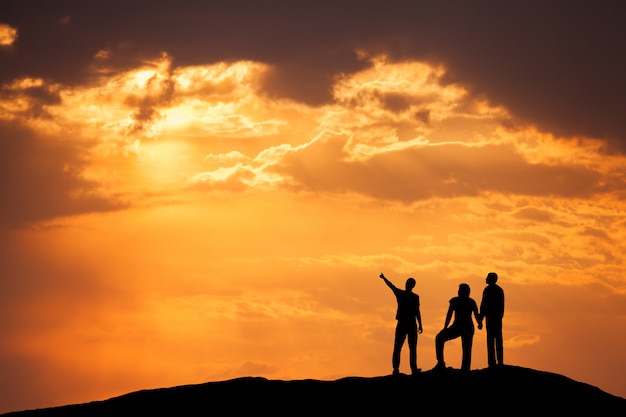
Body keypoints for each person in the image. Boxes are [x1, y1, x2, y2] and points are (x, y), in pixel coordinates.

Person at [379, 272, 423, 375]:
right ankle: (397, 369)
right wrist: (384, 278)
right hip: (406, 323)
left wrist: (420, 324)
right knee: (401, 347)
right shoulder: (408, 295)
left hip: (408, 323)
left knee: (408, 347)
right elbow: (391, 286)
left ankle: (411, 369)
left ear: (410, 285)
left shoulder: (411, 296)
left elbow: (417, 311)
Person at [434, 283, 482, 371]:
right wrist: (445, 327)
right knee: (439, 338)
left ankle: (465, 368)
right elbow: (449, 314)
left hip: (465, 327)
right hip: (459, 326)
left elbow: (450, 314)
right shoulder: (460, 301)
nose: (458, 292)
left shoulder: (466, 301)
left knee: (466, 347)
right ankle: (441, 362)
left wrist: (480, 323)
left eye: (460, 290)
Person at [479, 272, 505, 368]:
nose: (485, 279)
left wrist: (481, 319)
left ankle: (492, 362)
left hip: (491, 318)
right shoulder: (500, 290)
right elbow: (502, 307)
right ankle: (500, 362)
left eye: (487, 278)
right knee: (498, 340)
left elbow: (484, 305)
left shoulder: (487, 290)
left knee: (490, 340)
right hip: (497, 318)